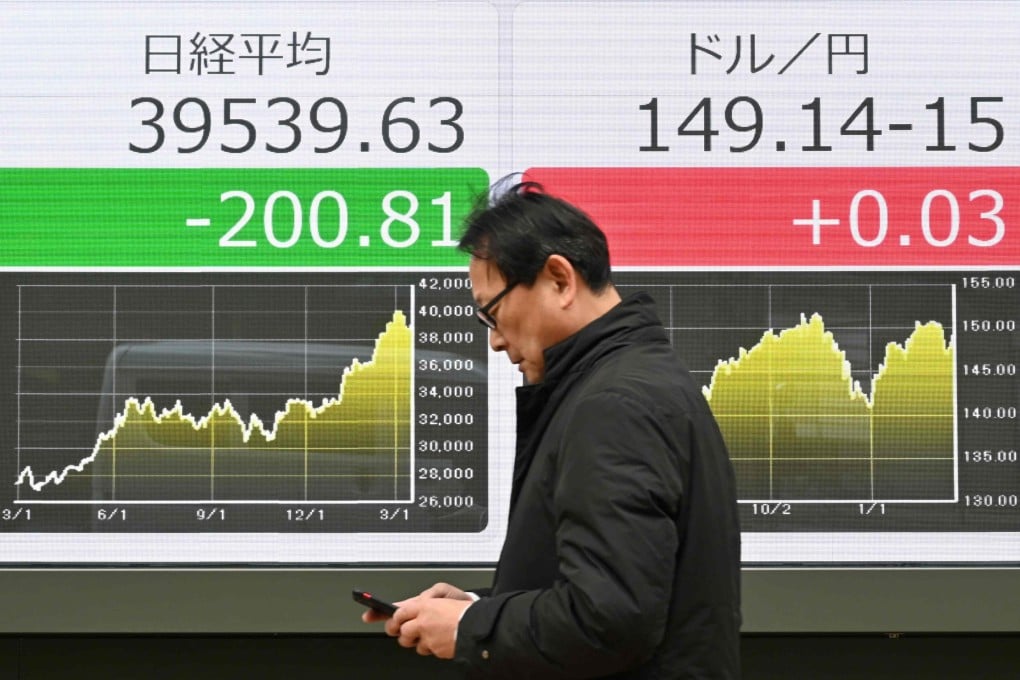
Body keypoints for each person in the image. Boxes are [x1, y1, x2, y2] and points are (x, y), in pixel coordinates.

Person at [363, 180, 742, 679]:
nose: (495, 341)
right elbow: (612, 592)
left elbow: (610, 620)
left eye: (494, 313)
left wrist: (474, 626)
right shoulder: (634, 381)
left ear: (560, 279)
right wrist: (477, 607)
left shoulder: (613, 405)